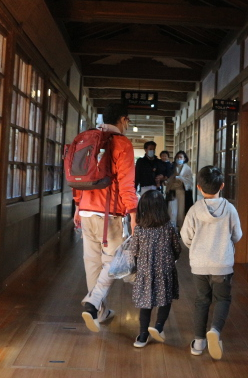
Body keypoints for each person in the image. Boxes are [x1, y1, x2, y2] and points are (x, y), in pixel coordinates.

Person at [73, 103, 139, 333]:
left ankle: (100, 312)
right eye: (127, 121)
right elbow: (126, 184)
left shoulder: (88, 138)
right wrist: (133, 213)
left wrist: (77, 207)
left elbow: (79, 177)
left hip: (85, 210)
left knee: (92, 263)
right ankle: (93, 304)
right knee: (112, 261)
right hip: (109, 214)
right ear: (123, 119)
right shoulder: (122, 143)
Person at [180, 166, 242, 360]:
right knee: (222, 299)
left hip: (199, 265)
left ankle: (198, 342)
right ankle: (214, 330)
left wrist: (196, 247)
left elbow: (186, 237)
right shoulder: (230, 209)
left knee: (202, 300)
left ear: (198, 187)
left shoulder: (194, 209)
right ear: (222, 186)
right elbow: (237, 235)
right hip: (222, 264)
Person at [130, 190, 181, 347]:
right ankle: (158, 326)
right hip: (165, 269)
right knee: (165, 299)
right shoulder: (169, 227)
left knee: (146, 304)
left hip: (146, 271)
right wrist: (174, 257)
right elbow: (176, 247)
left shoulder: (139, 229)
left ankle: (142, 335)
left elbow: (134, 250)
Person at [165, 151, 193, 229]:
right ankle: (172, 229)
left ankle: (181, 228)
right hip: (172, 191)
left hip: (182, 191)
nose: (179, 159)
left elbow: (189, 180)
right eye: (177, 157)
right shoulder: (171, 167)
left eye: (181, 157)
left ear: (184, 159)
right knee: (172, 211)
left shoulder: (187, 169)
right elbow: (168, 177)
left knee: (181, 211)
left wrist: (180, 178)